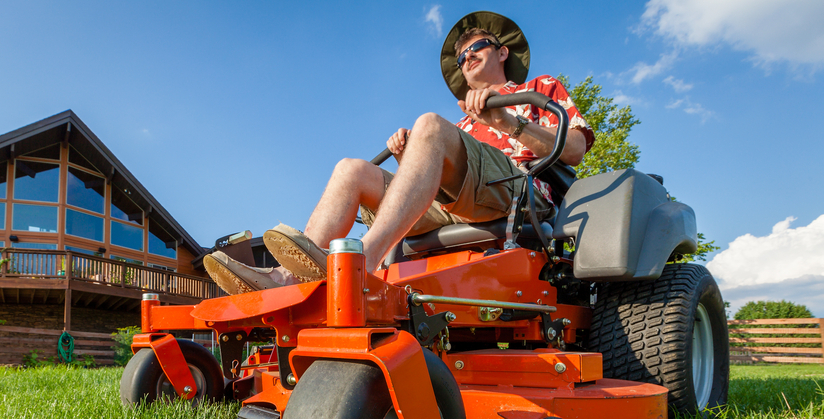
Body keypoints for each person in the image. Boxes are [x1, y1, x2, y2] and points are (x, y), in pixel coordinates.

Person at [204, 11, 595, 295]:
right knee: (351, 169)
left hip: (519, 189)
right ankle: (285, 280)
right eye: (461, 57)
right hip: (460, 200)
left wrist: (506, 122)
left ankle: (360, 264)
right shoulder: (461, 127)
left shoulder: (541, 87)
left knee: (428, 123)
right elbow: (429, 182)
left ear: (502, 52)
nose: (467, 58)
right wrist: (411, 156)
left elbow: (574, 148)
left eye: (476, 48)